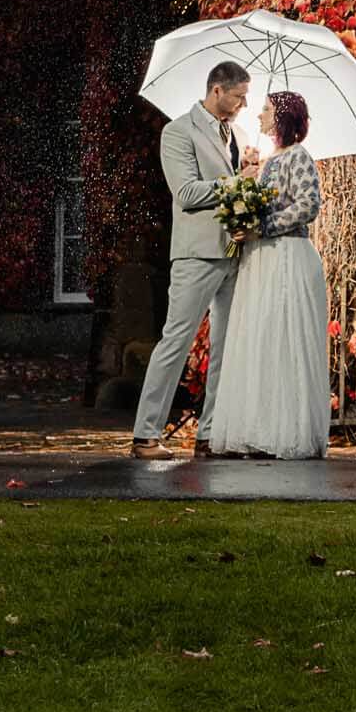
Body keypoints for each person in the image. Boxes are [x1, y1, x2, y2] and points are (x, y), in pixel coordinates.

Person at [132, 61, 257, 460]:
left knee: (225, 347)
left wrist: (250, 180)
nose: (243, 105)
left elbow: (235, 195)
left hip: (234, 252)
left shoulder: (238, 134)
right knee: (176, 342)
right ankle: (145, 435)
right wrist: (237, 182)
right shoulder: (178, 131)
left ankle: (210, 435)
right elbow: (186, 192)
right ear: (217, 90)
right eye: (238, 97)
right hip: (195, 254)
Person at [206, 91, 331, 459]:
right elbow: (254, 206)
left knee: (283, 338)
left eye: (265, 109)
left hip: (288, 257)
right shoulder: (268, 160)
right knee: (258, 339)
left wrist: (265, 227)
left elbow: (308, 206)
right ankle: (255, 429)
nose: (258, 114)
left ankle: (285, 431)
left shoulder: (299, 158)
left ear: (281, 118)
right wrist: (246, 176)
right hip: (259, 260)